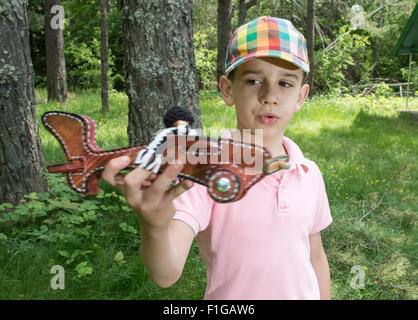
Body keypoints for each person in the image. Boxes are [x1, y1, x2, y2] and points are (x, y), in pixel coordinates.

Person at [102, 16, 332, 300]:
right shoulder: (202, 169)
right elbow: (165, 273)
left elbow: (316, 256)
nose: (270, 95)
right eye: (254, 80)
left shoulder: (308, 173)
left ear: (301, 96)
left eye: (285, 83)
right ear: (227, 89)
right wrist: (155, 225)